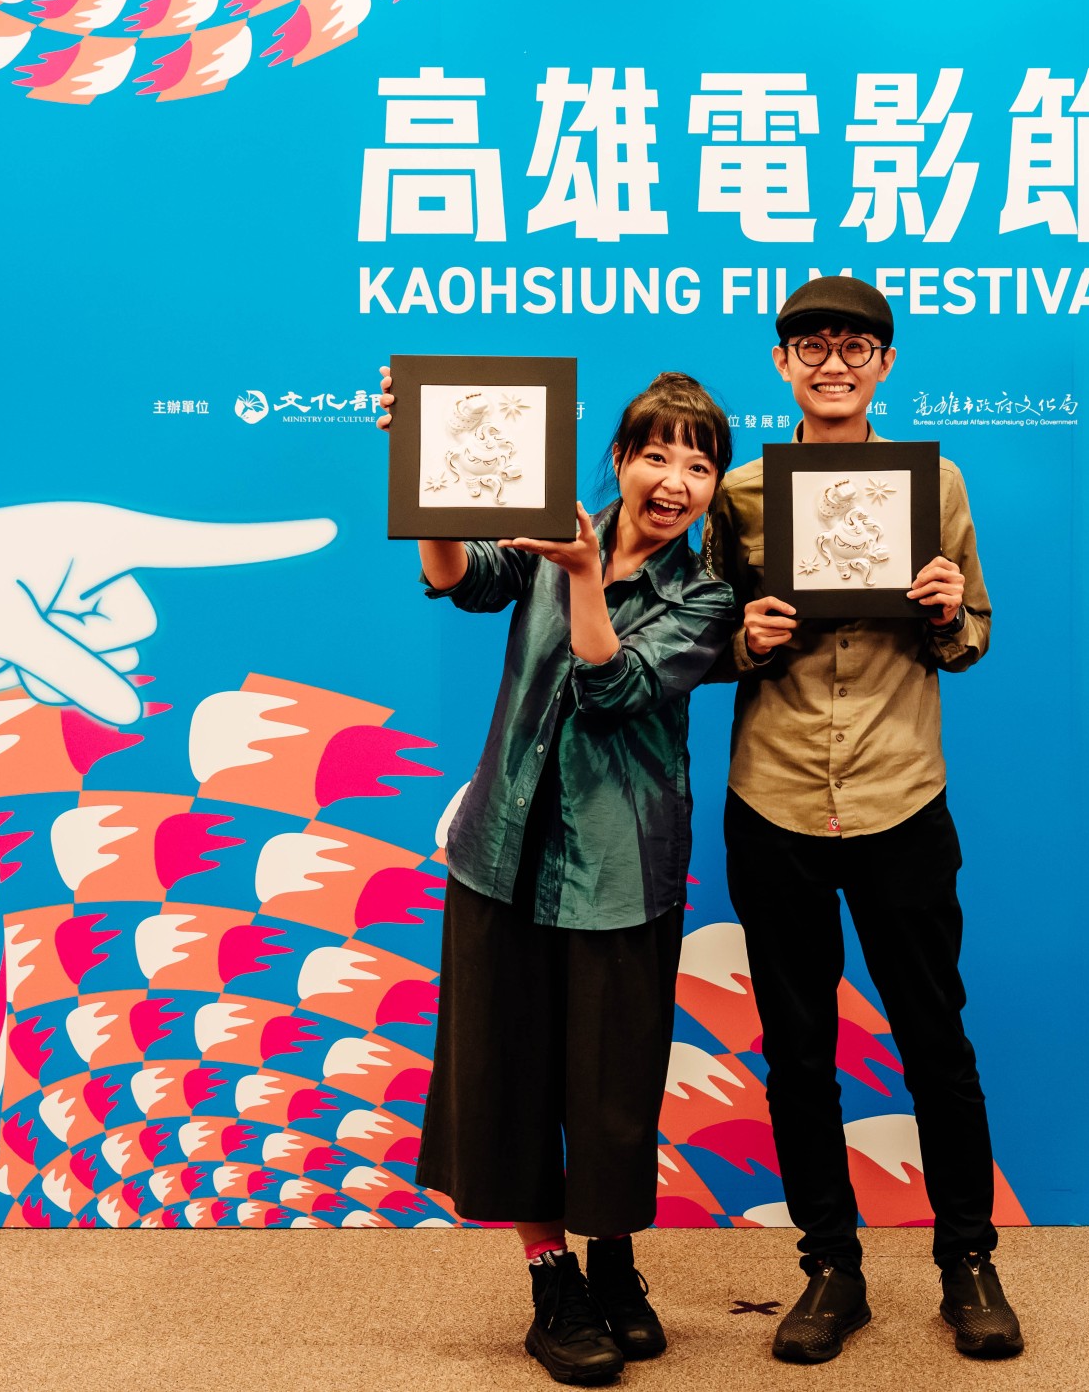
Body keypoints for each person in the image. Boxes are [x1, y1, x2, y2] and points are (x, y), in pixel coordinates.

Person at [378, 369, 736, 1386]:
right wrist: (425, 473)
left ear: (713, 486)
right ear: (619, 461)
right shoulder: (550, 534)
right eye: (656, 454)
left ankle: (613, 1263)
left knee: (613, 1088)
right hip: (501, 855)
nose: (674, 480)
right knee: (509, 1076)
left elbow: (610, 685)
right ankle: (552, 1280)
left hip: (621, 869)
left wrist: (583, 575)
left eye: (698, 464)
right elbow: (458, 575)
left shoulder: (706, 596)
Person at [702, 277, 1024, 1362]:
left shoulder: (935, 484)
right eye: (811, 346)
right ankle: (830, 1270)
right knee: (798, 1053)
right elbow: (699, 636)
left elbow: (972, 635)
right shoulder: (739, 492)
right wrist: (744, 640)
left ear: (884, 364)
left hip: (900, 793)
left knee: (935, 1039)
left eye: (853, 347)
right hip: (776, 796)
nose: (832, 363)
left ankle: (968, 1261)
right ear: (782, 362)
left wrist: (948, 610)